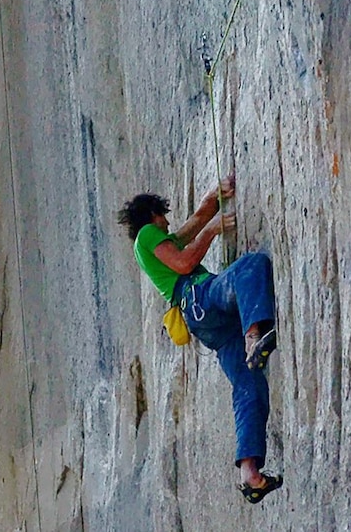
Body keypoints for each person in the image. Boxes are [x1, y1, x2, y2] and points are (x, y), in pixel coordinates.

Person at [117, 177, 283, 504]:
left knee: (248, 386)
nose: (167, 222)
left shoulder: (155, 244)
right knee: (251, 266)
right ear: (151, 215)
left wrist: (212, 201)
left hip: (205, 325)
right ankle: (253, 338)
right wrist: (212, 231)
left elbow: (189, 228)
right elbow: (184, 261)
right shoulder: (147, 236)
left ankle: (249, 472)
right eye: (162, 216)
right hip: (200, 298)